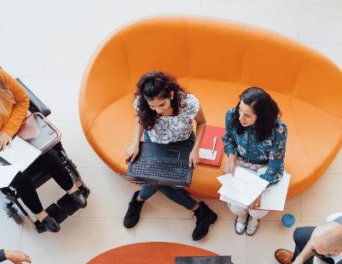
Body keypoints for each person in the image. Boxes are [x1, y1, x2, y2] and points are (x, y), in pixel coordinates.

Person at [0, 62, 85, 233]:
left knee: (49, 156)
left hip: (18, 129)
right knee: (19, 179)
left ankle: (71, 189)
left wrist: (8, 131)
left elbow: (22, 101)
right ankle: (40, 214)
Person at [122, 71, 218, 241]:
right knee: (159, 180)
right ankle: (200, 211)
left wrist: (196, 149)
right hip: (154, 141)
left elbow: (202, 123)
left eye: (162, 105)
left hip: (183, 142)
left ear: (171, 95)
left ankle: (138, 199)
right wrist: (135, 142)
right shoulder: (141, 102)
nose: (158, 110)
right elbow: (140, 119)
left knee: (165, 180)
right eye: (153, 106)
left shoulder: (189, 103)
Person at [222, 87, 288, 236]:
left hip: (265, 167)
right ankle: (242, 215)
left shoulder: (278, 130)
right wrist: (231, 159)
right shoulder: (232, 115)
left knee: (258, 211)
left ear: (262, 116)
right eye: (240, 110)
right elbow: (229, 140)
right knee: (236, 206)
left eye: (247, 115)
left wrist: (259, 188)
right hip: (240, 161)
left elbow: (276, 165)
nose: (240, 118)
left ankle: (253, 219)